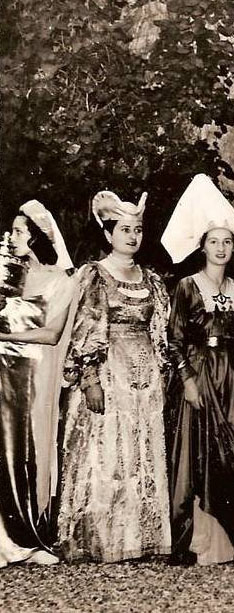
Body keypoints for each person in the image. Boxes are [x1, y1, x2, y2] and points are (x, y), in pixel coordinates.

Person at [59, 191, 172, 562]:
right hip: (110, 373)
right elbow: (85, 328)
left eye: (137, 229)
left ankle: (140, 538)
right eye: (124, 229)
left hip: (145, 375)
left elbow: (159, 331)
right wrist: (89, 378)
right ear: (108, 234)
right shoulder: (94, 275)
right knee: (108, 452)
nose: (133, 236)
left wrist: (162, 371)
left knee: (141, 452)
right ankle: (104, 540)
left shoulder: (152, 280)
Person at [160, 175, 234, 565]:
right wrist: (187, 379)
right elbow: (174, 337)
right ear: (202, 246)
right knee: (194, 453)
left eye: (227, 242)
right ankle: (192, 541)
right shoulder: (187, 286)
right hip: (199, 373)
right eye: (214, 241)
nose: (221, 248)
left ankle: (226, 542)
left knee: (228, 455)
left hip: (230, 378)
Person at [0, 201, 75, 566]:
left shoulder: (61, 280)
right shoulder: (7, 276)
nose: (11, 238)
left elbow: (52, 333)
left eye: (19, 232)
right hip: (2, 372)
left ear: (36, 237)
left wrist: (4, 336)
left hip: (36, 375)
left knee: (29, 446)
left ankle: (29, 535)